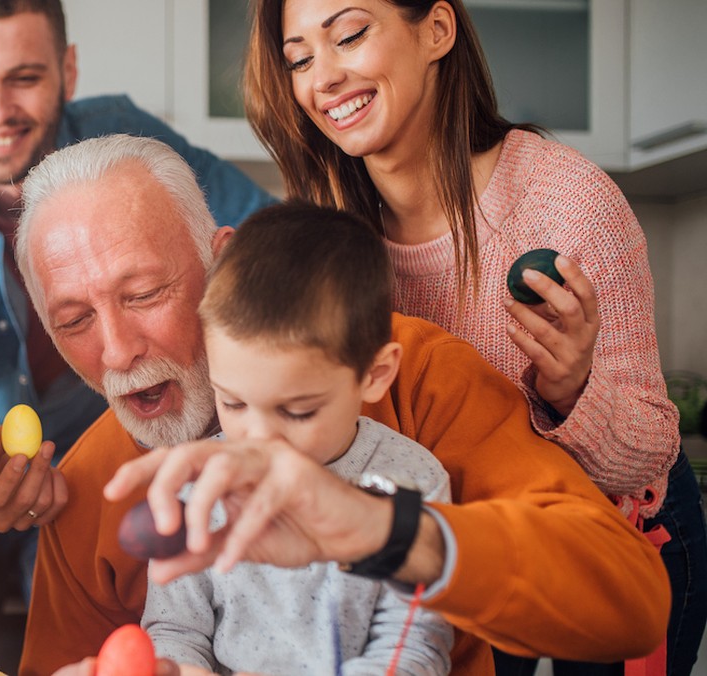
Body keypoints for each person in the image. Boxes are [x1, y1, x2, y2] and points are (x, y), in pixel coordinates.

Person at [11, 134, 668, 676]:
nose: (118, 350)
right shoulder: (92, 486)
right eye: (73, 321)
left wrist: (388, 531)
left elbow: (631, 603)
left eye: (145, 293)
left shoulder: (418, 379)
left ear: (222, 263)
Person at [241, 0, 705, 672]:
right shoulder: (331, 230)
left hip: (614, 540)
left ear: (436, 30)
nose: (325, 77)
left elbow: (650, 453)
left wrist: (572, 390)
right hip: (468, 542)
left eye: (349, 35)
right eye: (301, 58)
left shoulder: (569, 205)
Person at [0, 1, 276, 662]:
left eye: (24, 77)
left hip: (128, 465)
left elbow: (271, 245)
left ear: (68, 71)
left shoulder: (126, 143)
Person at [142, 203, 453, 675]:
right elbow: (175, 629)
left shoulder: (413, 484)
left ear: (375, 373)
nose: (259, 438)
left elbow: (413, 651)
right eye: (234, 403)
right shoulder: (199, 485)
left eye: (298, 411)